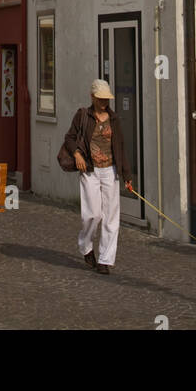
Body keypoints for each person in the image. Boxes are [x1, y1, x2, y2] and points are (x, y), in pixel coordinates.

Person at [63, 79, 133, 275]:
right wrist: (77, 154)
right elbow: (69, 138)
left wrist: (127, 174)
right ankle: (85, 245)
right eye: (101, 99)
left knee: (111, 217)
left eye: (106, 99)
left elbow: (120, 147)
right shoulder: (82, 116)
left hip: (110, 170)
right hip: (90, 170)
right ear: (92, 97)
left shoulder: (114, 119)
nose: (104, 103)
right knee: (92, 214)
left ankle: (105, 259)